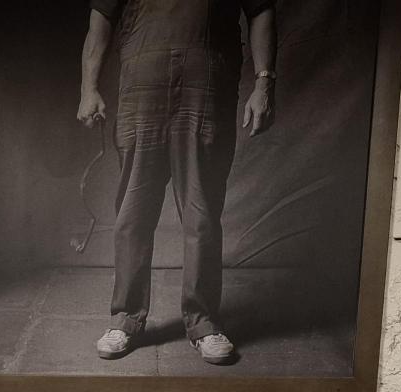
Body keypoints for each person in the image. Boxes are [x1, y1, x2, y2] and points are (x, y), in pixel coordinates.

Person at [77, 0, 277, 366]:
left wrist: (264, 83)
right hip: (142, 88)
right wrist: (88, 88)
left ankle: (204, 323)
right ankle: (125, 319)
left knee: (202, 215)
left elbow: (261, 10)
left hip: (206, 88)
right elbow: (101, 16)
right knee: (133, 215)